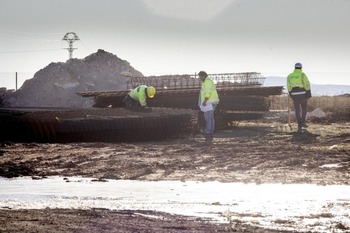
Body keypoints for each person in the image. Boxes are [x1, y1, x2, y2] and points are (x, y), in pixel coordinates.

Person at [287, 63, 312, 131]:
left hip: (294, 95)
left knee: (297, 110)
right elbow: (307, 84)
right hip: (302, 94)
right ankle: (303, 122)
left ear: (294, 68)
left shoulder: (289, 76)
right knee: (304, 109)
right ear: (301, 68)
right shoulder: (302, 75)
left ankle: (299, 123)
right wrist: (308, 94)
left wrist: (291, 94)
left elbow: (289, 87)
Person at [198, 71, 219, 142]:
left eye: (200, 77)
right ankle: (210, 131)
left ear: (203, 76)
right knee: (210, 117)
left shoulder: (207, 82)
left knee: (208, 117)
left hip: (209, 102)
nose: (200, 78)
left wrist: (205, 101)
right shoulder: (207, 81)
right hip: (211, 102)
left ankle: (208, 131)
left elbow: (207, 92)